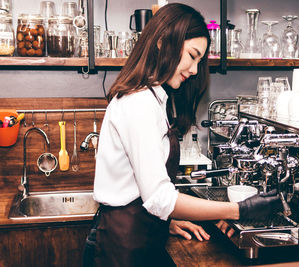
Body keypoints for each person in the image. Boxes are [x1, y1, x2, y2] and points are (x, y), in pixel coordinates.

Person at [85, 3, 282, 267]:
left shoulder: (153, 99)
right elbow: (159, 198)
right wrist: (240, 210)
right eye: (192, 55)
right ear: (163, 42)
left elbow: (139, 190)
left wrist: (165, 222)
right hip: (120, 248)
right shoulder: (139, 103)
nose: (194, 70)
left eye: (199, 61)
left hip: (136, 238)